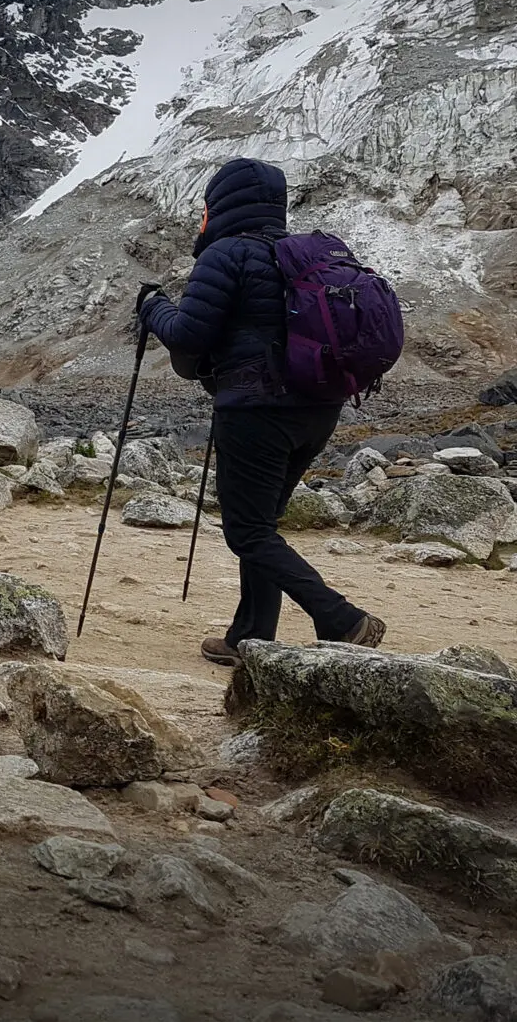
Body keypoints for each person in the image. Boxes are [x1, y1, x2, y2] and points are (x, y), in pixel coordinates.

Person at [137, 156, 386, 665]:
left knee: (247, 531)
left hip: (256, 413)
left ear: (220, 203)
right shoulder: (298, 255)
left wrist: (152, 308)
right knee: (262, 525)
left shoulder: (226, 254)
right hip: (319, 410)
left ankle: (341, 618)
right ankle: (250, 635)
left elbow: (188, 336)